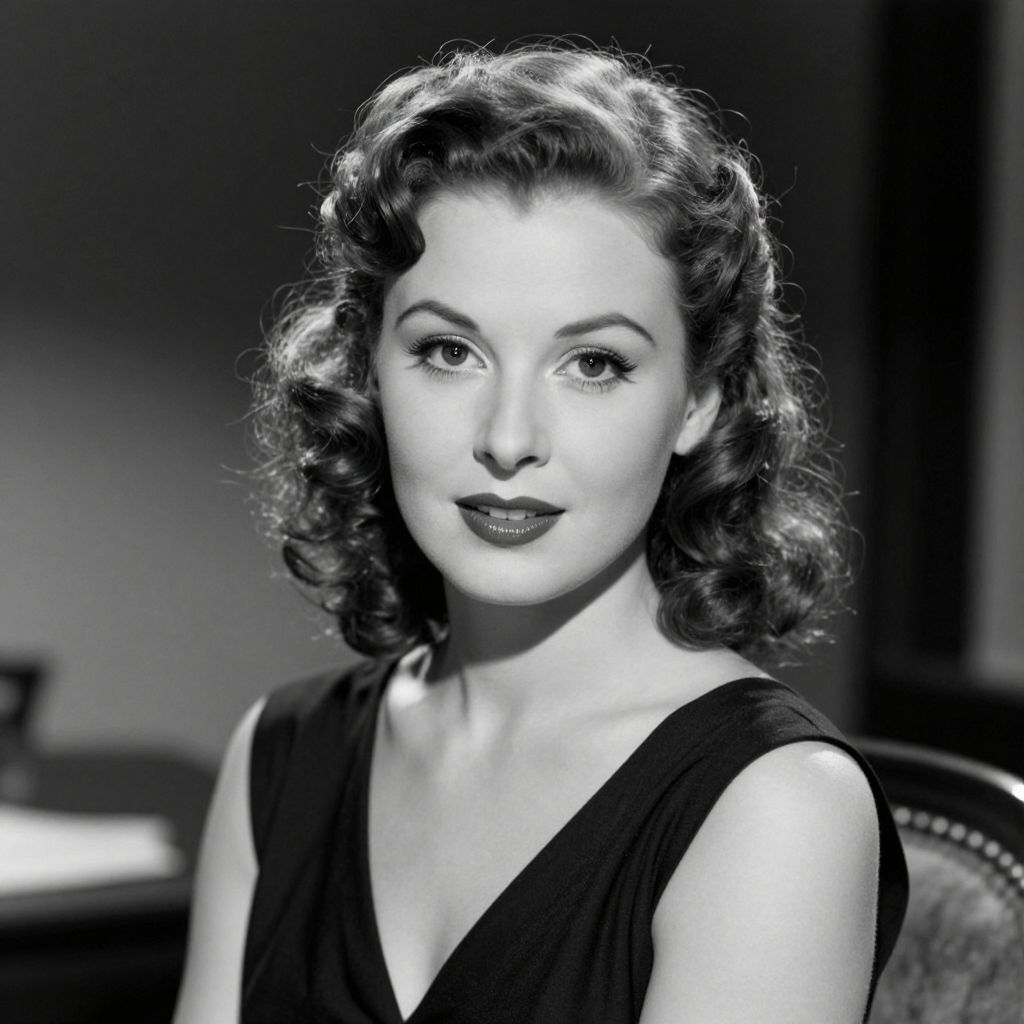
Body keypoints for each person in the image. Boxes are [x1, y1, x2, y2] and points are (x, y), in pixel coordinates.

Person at [173, 43, 907, 1024]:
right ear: (369, 368)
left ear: (698, 399)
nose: (509, 438)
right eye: (449, 350)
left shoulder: (776, 807)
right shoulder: (279, 757)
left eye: (594, 363)